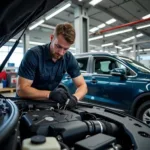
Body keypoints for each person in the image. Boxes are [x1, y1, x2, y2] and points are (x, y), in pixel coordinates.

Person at [16, 22, 88, 108]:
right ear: (51, 38)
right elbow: (21, 90)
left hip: (49, 104)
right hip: (26, 104)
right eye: (58, 46)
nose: (61, 52)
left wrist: (75, 98)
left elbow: (82, 85)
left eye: (65, 49)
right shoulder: (34, 55)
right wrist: (49, 94)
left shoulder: (68, 58)